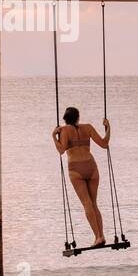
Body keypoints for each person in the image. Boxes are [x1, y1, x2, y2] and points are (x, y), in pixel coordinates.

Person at [52, 105, 111, 246]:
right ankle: (101, 236)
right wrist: (108, 128)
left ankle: (97, 237)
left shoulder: (64, 130)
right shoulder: (88, 127)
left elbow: (61, 150)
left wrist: (54, 136)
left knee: (87, 204)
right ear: (78, 117)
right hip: (91, 167)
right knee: (93, 204)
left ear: (65, 119)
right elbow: (104, 144)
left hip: (76, 169)